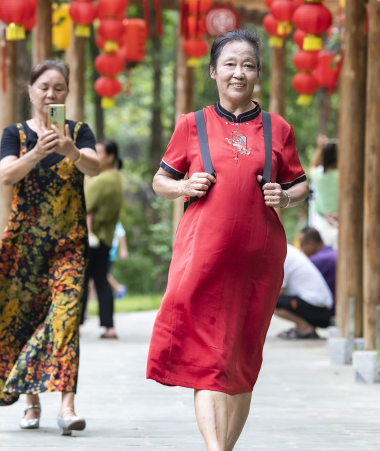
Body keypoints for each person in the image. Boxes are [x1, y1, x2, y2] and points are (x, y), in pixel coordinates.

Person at [148, 28, 308, 451]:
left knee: (240, 360)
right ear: (214, 71)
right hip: (202, 255)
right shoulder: (191, 124)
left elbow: (299, 184)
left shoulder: (278, 128)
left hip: (258, 261)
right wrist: (184, 188)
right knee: (209, 359)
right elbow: (160, 181)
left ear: (258, 74)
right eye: (231, 64)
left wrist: (286, 197)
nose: (239, 73)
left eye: (249, 65)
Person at [0, 60, 100, 436]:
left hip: (69, 243)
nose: (51, 94)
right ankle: (31, 403)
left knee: (64, 318)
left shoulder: (78, 132)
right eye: (44, 87)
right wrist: (38, 152)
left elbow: (94, 167)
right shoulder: (14, 133)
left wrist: (70, 150)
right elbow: (6, 174)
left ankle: (67, 406)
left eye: (59, 88)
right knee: (26, 318)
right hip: (25, 244)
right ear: (30, 91)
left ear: (67, 92)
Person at [82, 139, 124, 339]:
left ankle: (75, 325)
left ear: (110, 157)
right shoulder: (117, 180)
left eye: (98, 152)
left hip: (91, 238)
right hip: (106, 238)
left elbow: (84, 207)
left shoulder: (100, 181)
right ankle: (109, 327)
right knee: (102, 281)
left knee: (81, 280)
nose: (95, 156)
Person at [275, 244, 334, 339]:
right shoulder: (288, 250)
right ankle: (300, 326)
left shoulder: (282, 255)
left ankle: (305, 328)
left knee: (272, 302)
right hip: (320, 305)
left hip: (318, 309)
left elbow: (280, 291)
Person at [307, 138, 339, 247]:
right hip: (341, 222)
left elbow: (312, 167)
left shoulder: (318, 176)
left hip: (323, 224)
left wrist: (320, 148)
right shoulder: (346, 177)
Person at [299, 226, 336, 306]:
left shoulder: (317, 260)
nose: (301, 249)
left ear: (311, 243)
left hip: (329, 307)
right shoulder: (333, 252)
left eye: (302, 245)